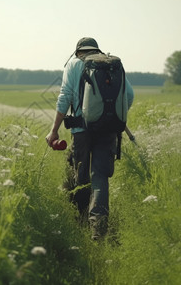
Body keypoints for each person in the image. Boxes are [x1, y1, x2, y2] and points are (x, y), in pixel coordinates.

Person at [45, 37, 134, 240]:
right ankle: (99, 230)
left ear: (78, 51)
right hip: (108, 130)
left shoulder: (74, 64)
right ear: (96, 49)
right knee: (100, 177)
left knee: (81, 177)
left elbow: (65, 96)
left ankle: (80, 223)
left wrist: (54, 131)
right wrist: (113, 117)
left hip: (81, 131)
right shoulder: (112, 65)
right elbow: (129, 95)